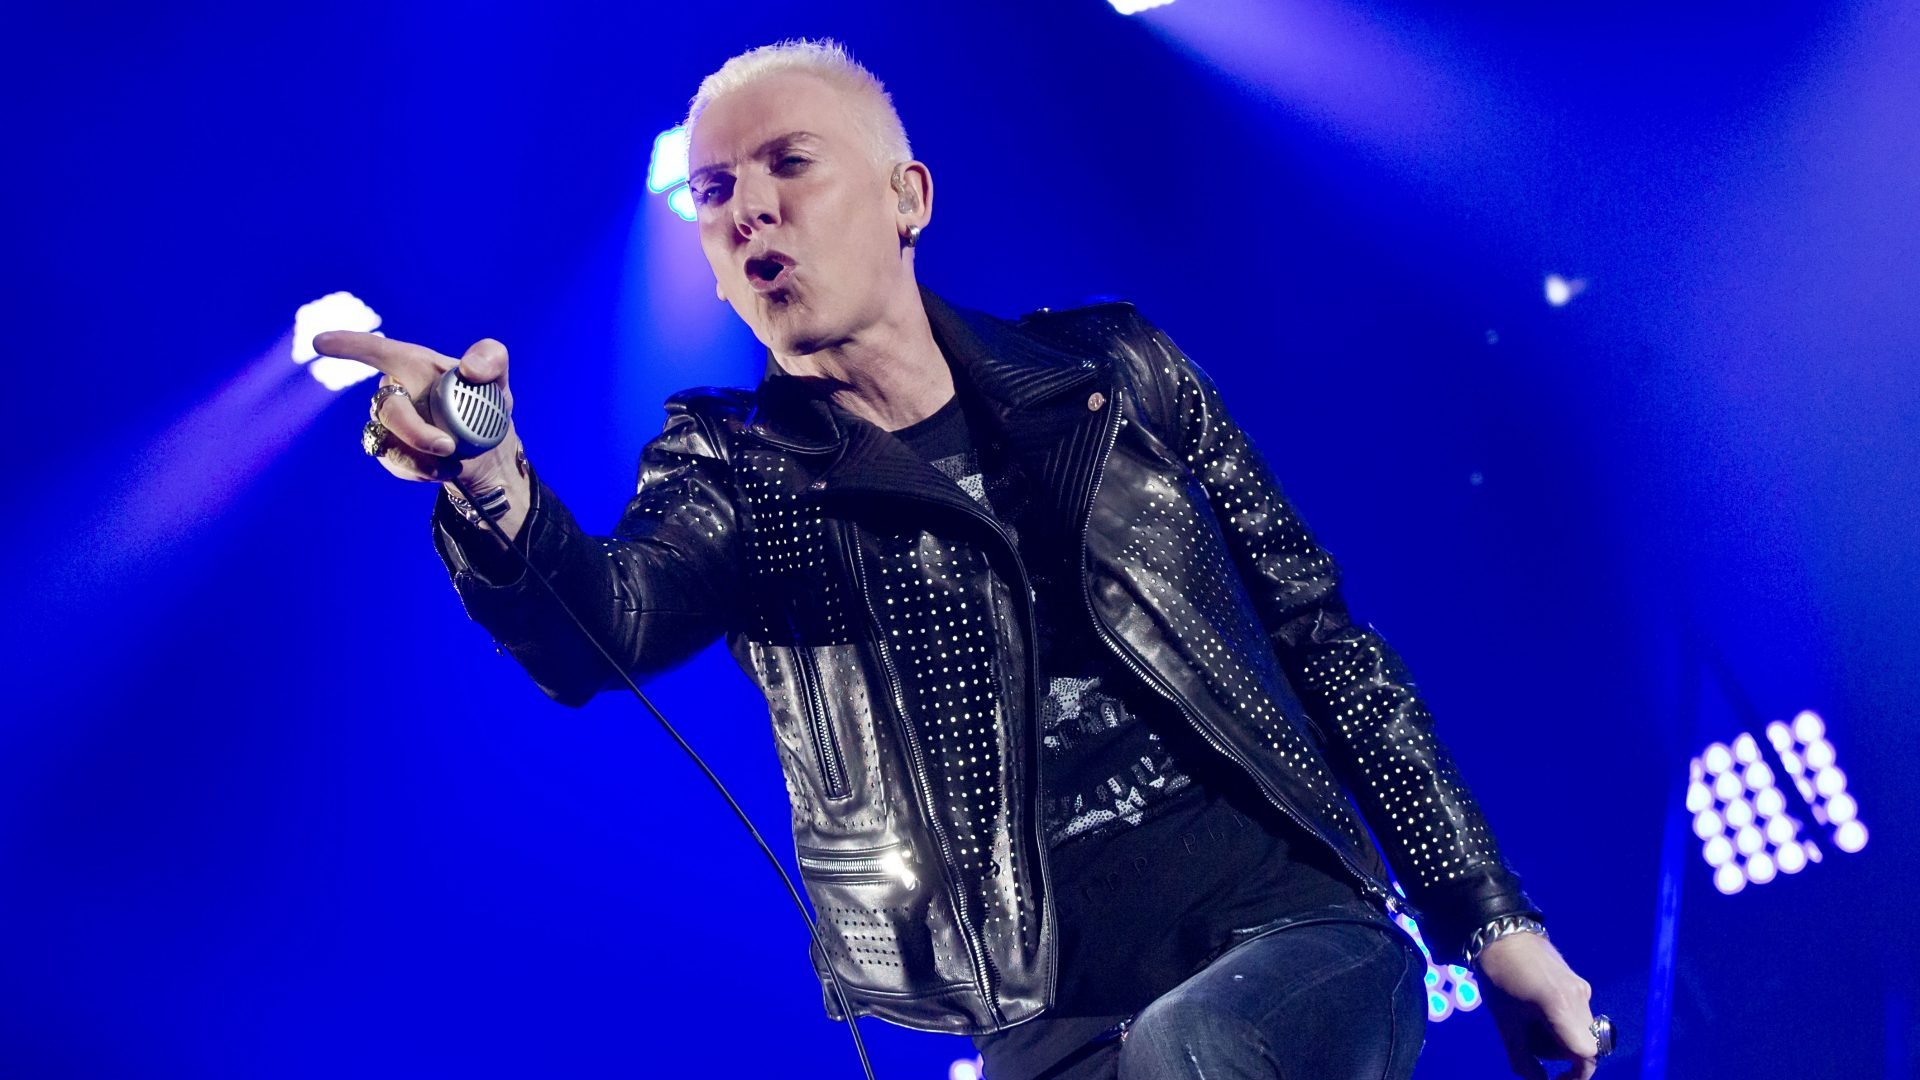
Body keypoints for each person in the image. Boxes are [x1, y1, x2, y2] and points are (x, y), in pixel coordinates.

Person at [324, 38, 1606, 1080]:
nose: (748, 207)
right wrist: (490, 478)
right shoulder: (735, 468)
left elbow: (1321, 639)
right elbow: (608, 621)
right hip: (1039, 1022)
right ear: (712, 267)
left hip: (1284, 932)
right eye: (714, 196)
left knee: (1193, 1053)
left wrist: (1489, 919)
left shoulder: (1112, 373)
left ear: (906, 198)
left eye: (789, 164)